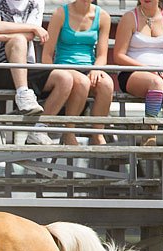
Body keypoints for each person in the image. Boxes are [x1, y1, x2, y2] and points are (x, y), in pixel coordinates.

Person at [0, 0, 83, 145]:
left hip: (23, 65)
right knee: (18, 39)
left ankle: (39, 130)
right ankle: (23, 93)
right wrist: (32, 28)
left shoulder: (36, 1)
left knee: (65, 78)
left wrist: (1, 36)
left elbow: (30, 35)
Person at [114, 0, 163, 146]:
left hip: (161, 72)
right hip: (132, 73)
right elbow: (118, 55)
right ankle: (149, 132)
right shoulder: (129, 18)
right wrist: (147, 68)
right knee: (155, 83)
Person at [42, 0, 114, 145]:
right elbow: (47, 55)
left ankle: (98, 133)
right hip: (64, 67)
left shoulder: (103, 16)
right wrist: (53, 74)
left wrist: (96, 68)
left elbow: (102, 55)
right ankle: (69, 132)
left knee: (107, 84)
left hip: (89, 66)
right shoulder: (61, 14)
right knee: (82, 81)